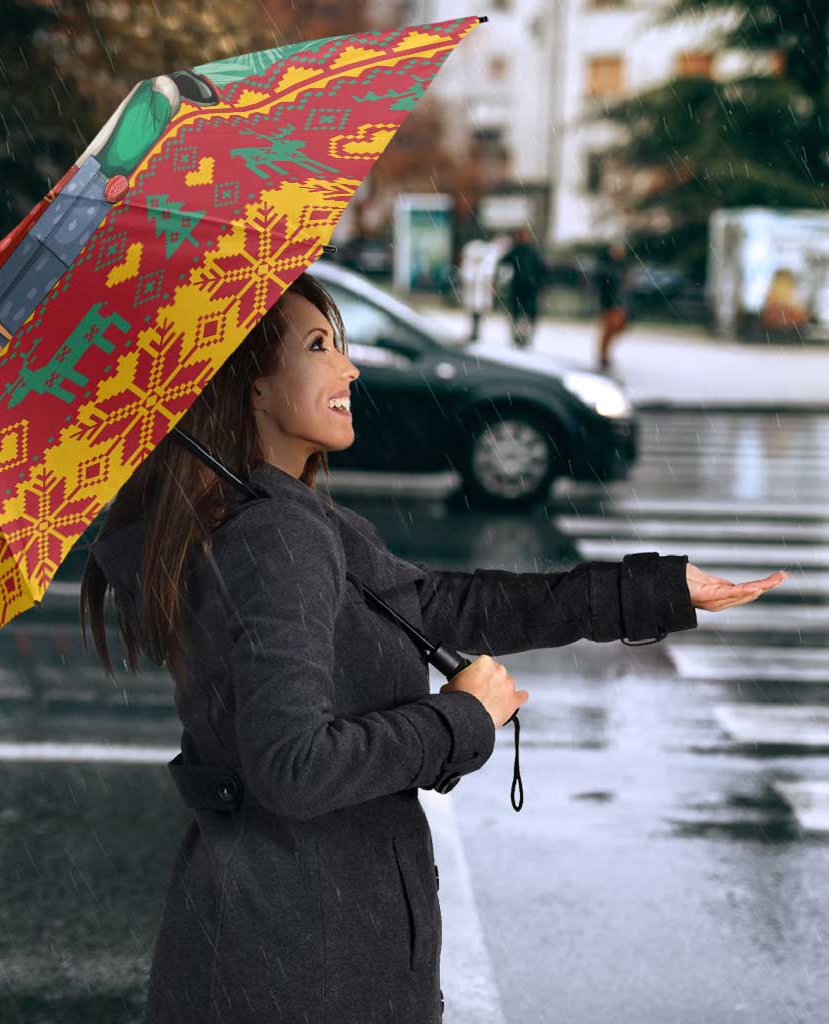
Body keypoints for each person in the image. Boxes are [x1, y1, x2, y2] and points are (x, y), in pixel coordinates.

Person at [80, 270, 781, 1024]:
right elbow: (292, 768)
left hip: (285, 939)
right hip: (304, 962)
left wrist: (655, 591)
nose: (349, 368)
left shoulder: (281, 517)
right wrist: (460, 719)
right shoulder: (274, 537)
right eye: (319, 346)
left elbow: (443, 604)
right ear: (250, 385)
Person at [497, 226, 547, 349]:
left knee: (525, 315)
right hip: (520, 288)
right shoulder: (517, 251)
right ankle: (518, 337)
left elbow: (541, 270)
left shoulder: (530, 252)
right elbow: (503, 264)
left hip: (528, 288)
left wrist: (540, 284)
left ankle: (524, 337)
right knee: (518, 314)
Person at [595, 240, 631, 371]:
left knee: (618, 328)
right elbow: (604, 286)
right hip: (610, 303)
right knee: (609, 329)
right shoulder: (607, 267)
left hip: (619, 303)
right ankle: (603, 355)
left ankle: (605, 354)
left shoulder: (622, 266)